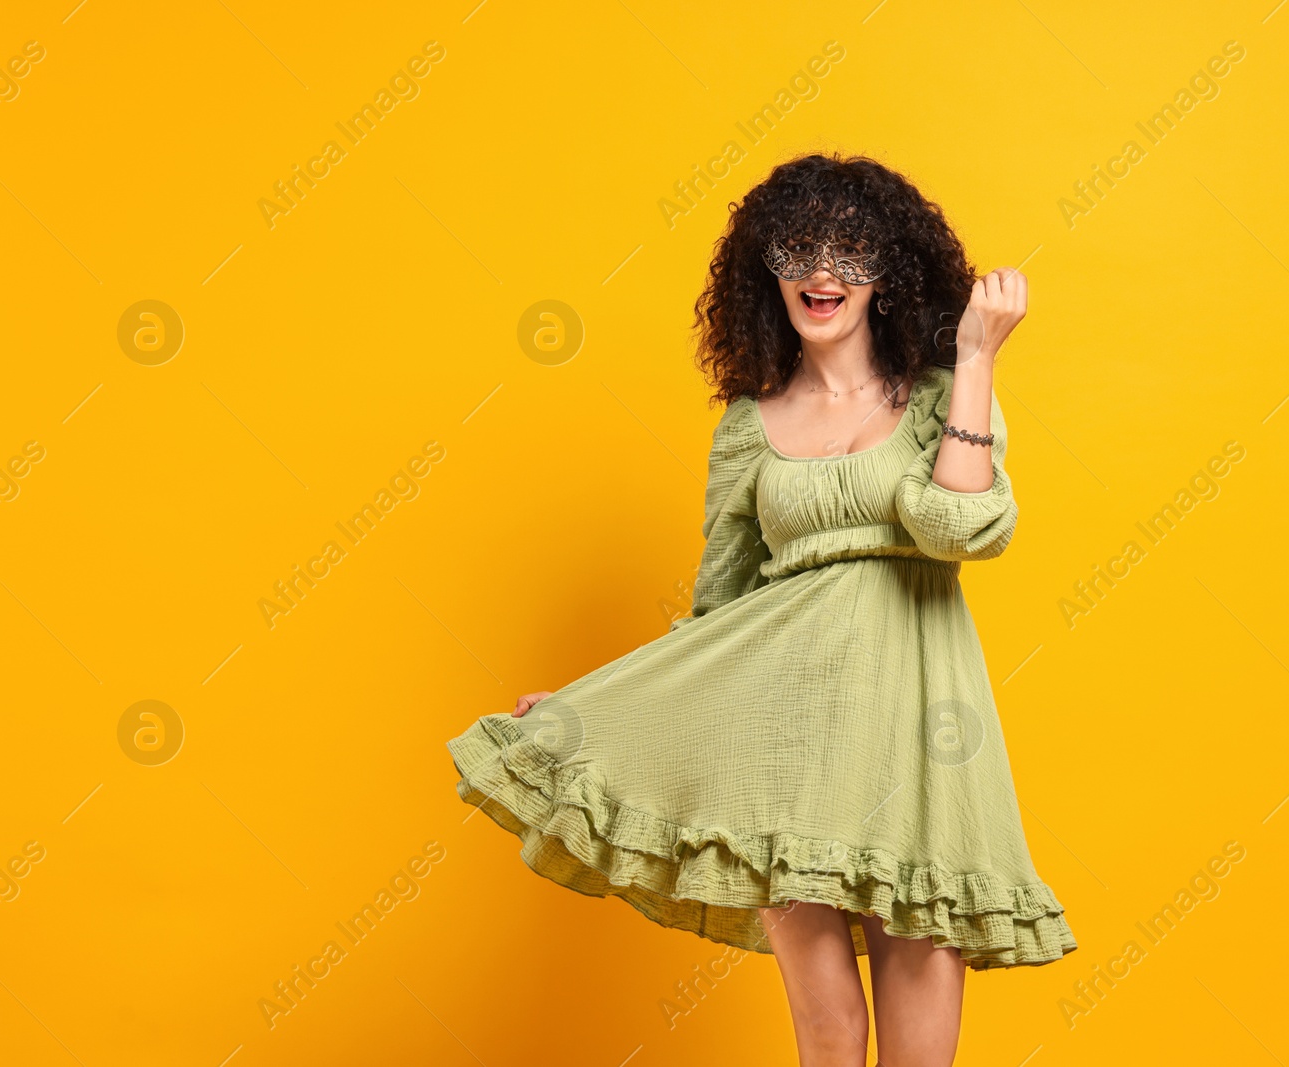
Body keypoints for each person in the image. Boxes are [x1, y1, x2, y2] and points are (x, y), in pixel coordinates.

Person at [447, 151, 1076, 1067]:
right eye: (799, 247)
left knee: (920, 1053)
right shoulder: (749, 427)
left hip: (925, 739)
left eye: (850, 248)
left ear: (889, 271)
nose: (822, 270)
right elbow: (721, 612)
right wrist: (596, 708)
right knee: (826, 1037)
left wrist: (975, 356)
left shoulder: (945, 394)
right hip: (786, 753)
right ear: (767, 269)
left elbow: (959, 529)